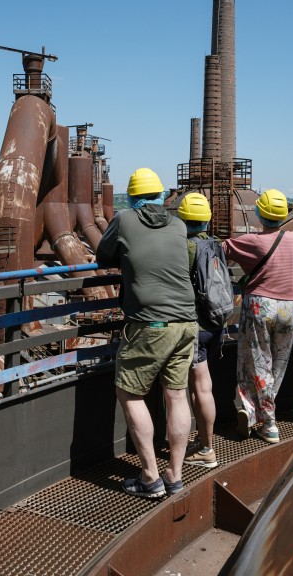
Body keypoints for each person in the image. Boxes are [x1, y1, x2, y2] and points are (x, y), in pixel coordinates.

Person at [96, 167, 198, 499]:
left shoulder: (125, 219)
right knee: (177, 395)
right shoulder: (180, 224)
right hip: (187, 322)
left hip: (151, 324)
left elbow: (102, 255)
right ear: (160, 197)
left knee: (130, 393)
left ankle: (151, 477)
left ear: (133, 198)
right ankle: (174, 474)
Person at [221, 189, 293, 444]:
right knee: (278, 364)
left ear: (260, 214)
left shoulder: (253, 241)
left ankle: (264, 419)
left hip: (260, 305)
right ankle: (261, 412)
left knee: (256, 362)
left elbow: (222, 248)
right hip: (290, 306)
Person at [177, 192, 223, 468]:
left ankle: (206, 449)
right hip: (215, 322)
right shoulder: (217, 244)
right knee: (203, 388)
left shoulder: (185, 247)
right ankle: (203, 442)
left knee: (198, 390)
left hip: (194, 323)